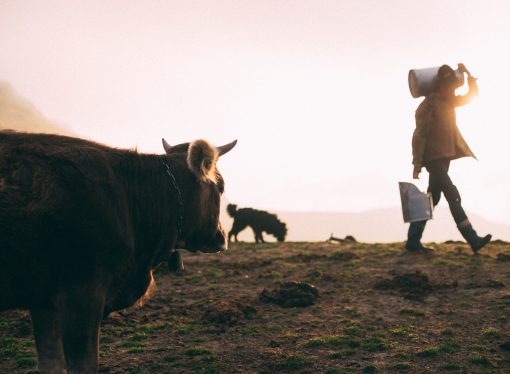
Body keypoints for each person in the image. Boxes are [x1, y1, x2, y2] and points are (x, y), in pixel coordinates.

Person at [407, 63, 491, 254]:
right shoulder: (428, 106)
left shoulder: (449, 101)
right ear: (441, 87)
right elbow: (419, 136)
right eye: (450, 88)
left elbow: (471, 97)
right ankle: (473, 238)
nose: (453, 91)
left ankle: (413, 240)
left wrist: (469, 76)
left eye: (454, 88)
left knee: (432, 198)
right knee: (452, 194)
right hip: (433, 160)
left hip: (444, 158)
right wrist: (417, 164)